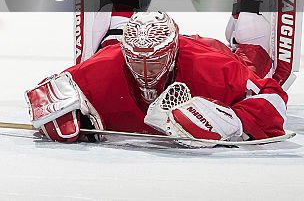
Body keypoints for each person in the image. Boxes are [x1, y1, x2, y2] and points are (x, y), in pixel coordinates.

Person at [25, 9, 287, 145]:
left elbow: (274, 95)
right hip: (115, 52)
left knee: (255, 59)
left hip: (210, 49)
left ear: (172, 53)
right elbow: (46, 93)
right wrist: (60, 115)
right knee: (104, 49)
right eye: (136, 61)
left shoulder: (213, 67)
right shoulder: (111, 61)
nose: (146, 72)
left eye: (156, 61)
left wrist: (234, 120)